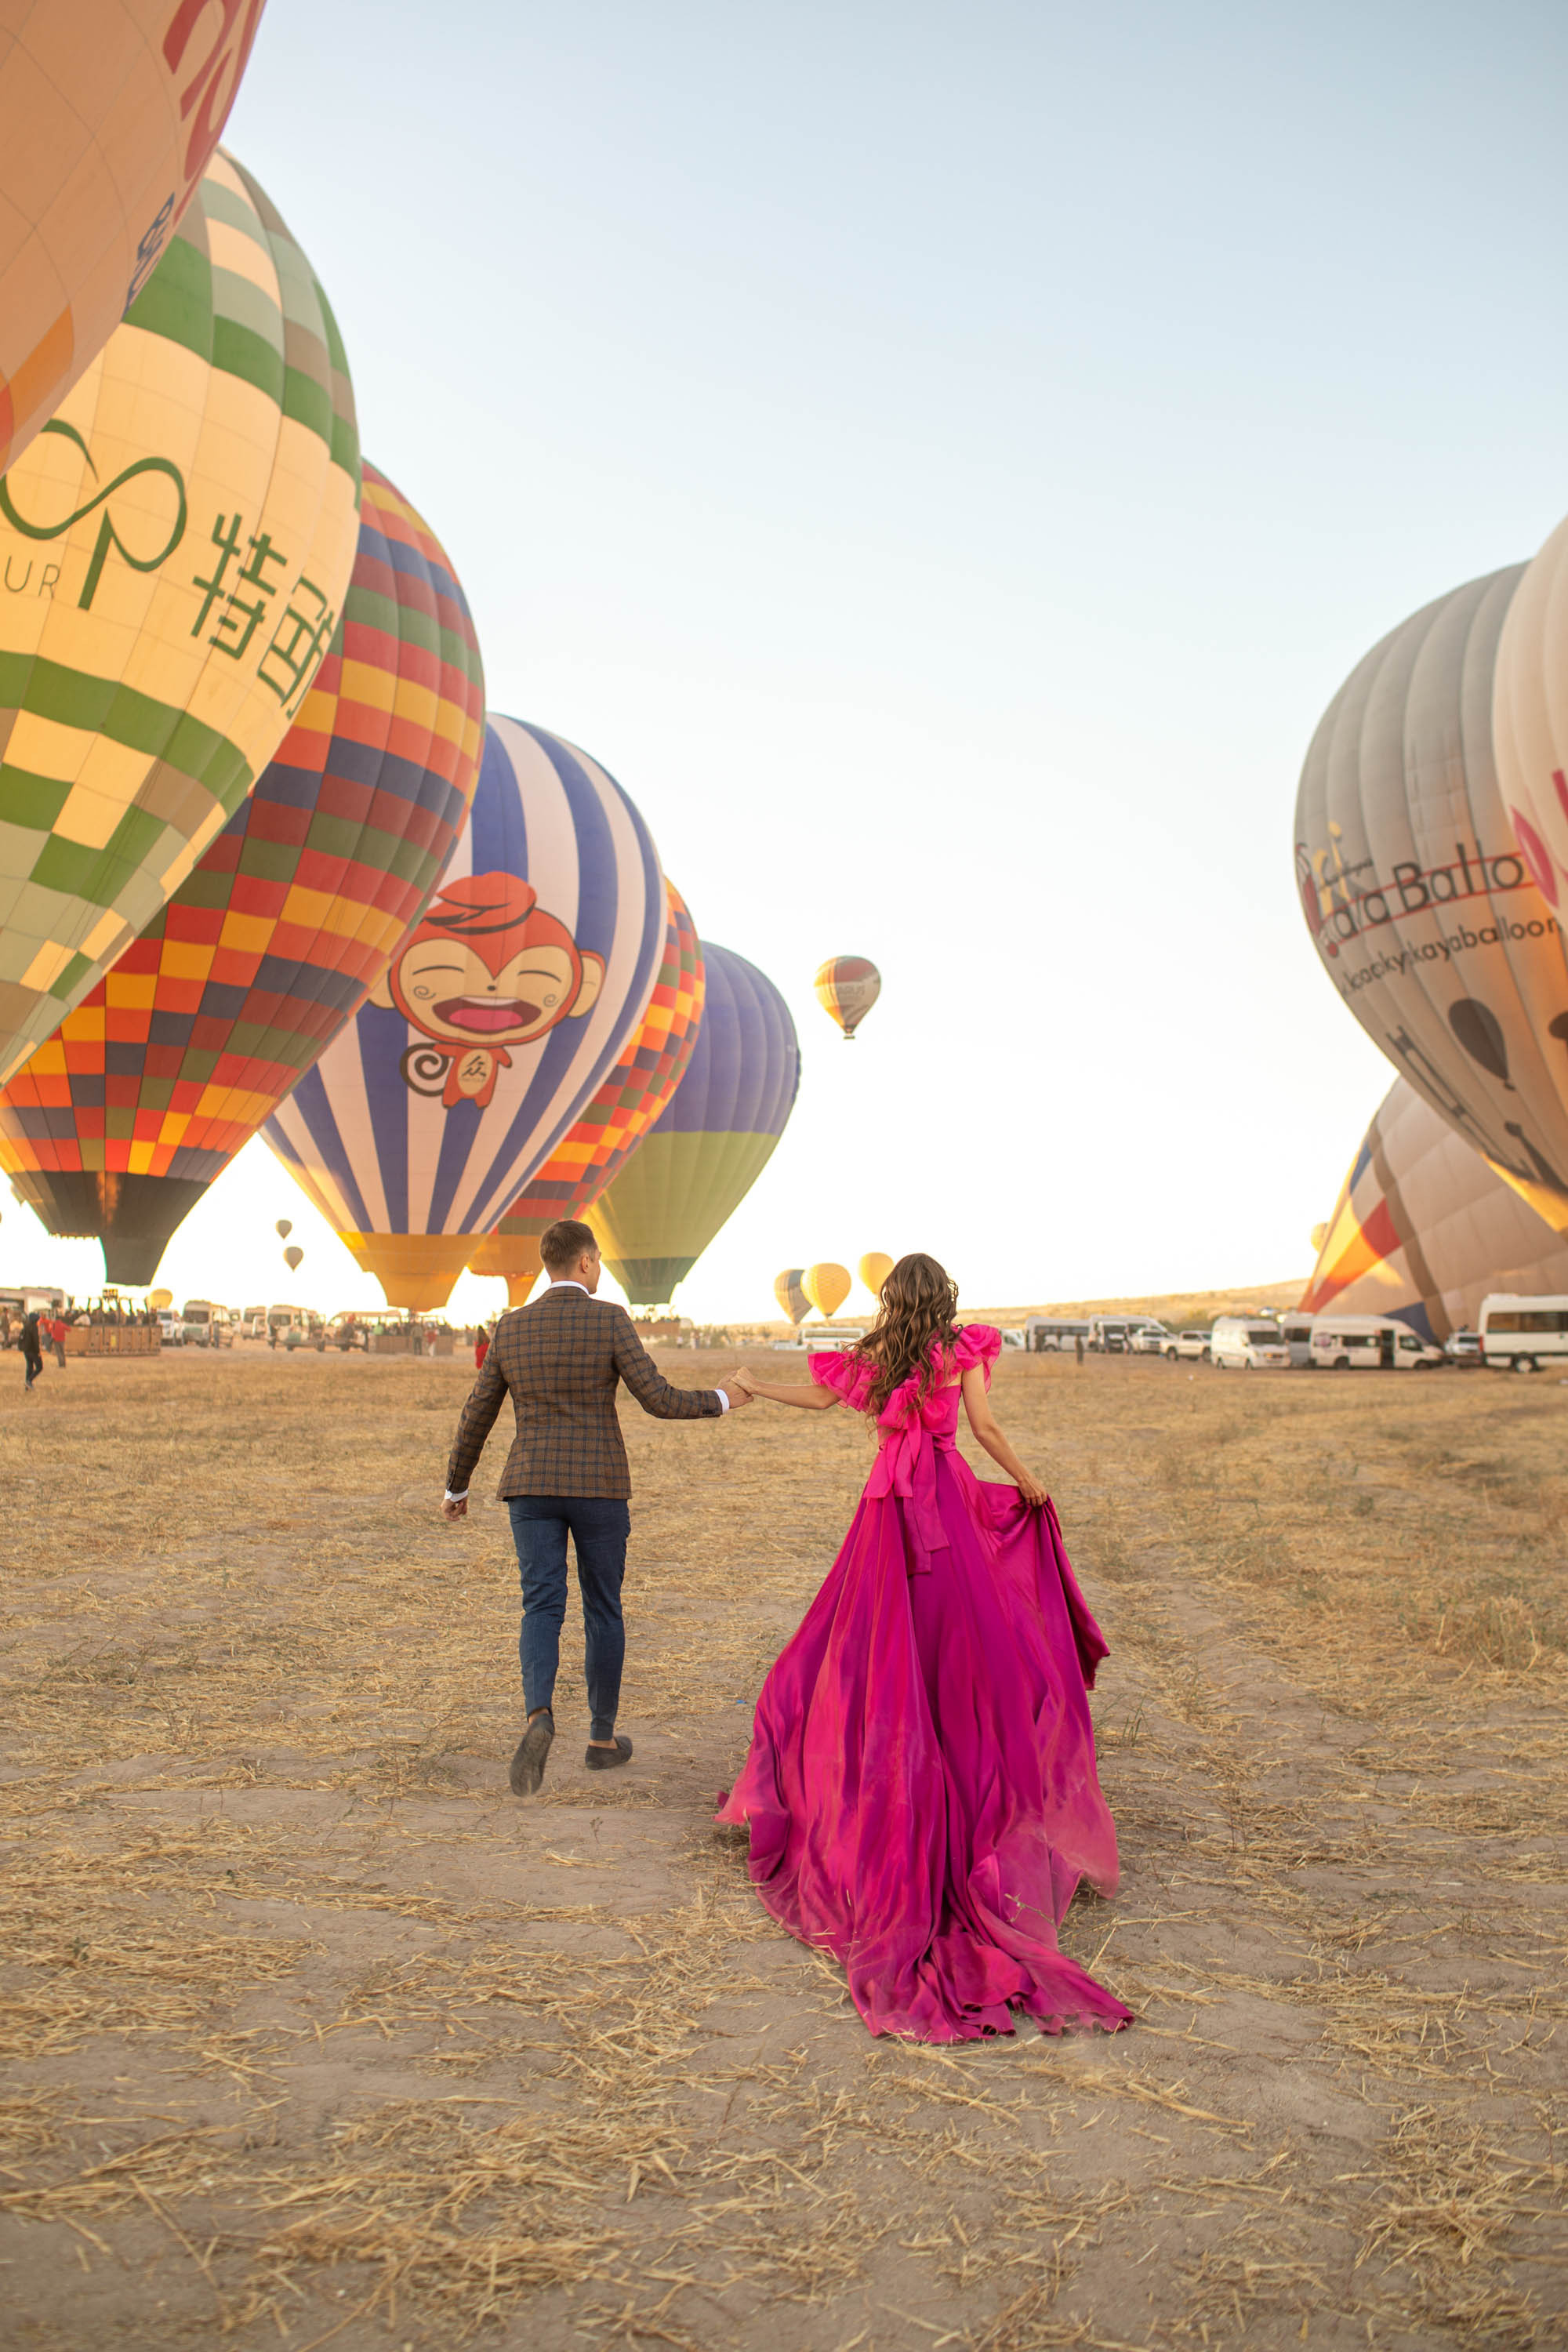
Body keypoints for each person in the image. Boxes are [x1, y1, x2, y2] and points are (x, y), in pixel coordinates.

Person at [720, 1252, 1131, 2045]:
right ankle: (970, 1769)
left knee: (858, 1644)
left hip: (888, 1512)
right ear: (942, 1297)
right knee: (964, 1646)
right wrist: (1028, 1480)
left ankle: (860, 1768)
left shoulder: (874, 1356)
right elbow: (983, 1429)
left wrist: (753, 1387)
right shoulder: (959, 1348)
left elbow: (816, 1398)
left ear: (886, 1299)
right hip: (940, 1504)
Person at [442, 1218, 752, 1796]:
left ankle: (539, 1717)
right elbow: (656, 1399)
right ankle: (602, 1741)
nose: (602, 1267)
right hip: (599, 1486)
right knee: (603, 1609)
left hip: (530, 1485)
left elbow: (477, 1412)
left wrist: (457, 1486)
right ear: (584, 1263)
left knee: (541, 1607)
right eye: (600, 1259)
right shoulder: (609, 1317)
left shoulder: (510, 1327)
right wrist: (721, 1399)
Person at [20, 1308, 45, 1392]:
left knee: (29, 1367)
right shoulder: (34, 1327)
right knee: (40, 1367)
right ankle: (29, 1381)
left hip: (26, 1350)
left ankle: (27, 1386)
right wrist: (38, 1352)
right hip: (33, 1351)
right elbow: (35, 1340)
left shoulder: (26, 1326)